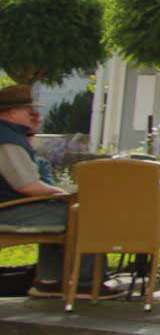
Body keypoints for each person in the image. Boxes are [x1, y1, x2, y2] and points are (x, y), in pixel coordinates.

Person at [0, 85, 102, 297]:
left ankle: (52, 280)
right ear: (9, 113)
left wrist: (31, 132)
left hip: (13, 206)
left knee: (63, 210)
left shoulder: (11, 136)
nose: (35, 115)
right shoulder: (7, 141)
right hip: (8, 210)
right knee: (85, 213)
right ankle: (83, 283)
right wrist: (65, 195)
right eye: (28, 111)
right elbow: (28, 186)